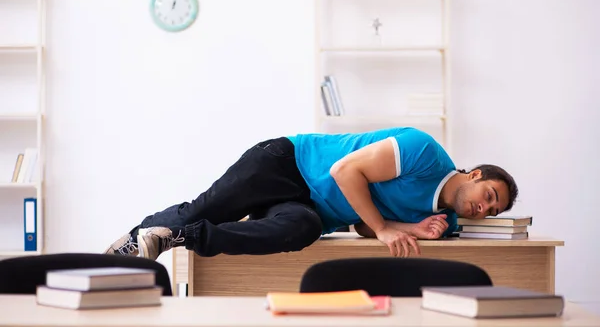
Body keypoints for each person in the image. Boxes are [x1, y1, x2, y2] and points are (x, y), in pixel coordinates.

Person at [104, 127, 518, 260]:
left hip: (306, 206)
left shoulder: (440, 224)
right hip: (287, 162)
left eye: (492, 209)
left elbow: (360, 226)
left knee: (302, 229)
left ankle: (180, 237)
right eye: (489, 194)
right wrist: (388, 228)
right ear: (474, 174)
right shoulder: (424, 152)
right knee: (208, 206)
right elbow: (345, 171)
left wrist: (399, 227)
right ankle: (123, 251)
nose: (484, 207)